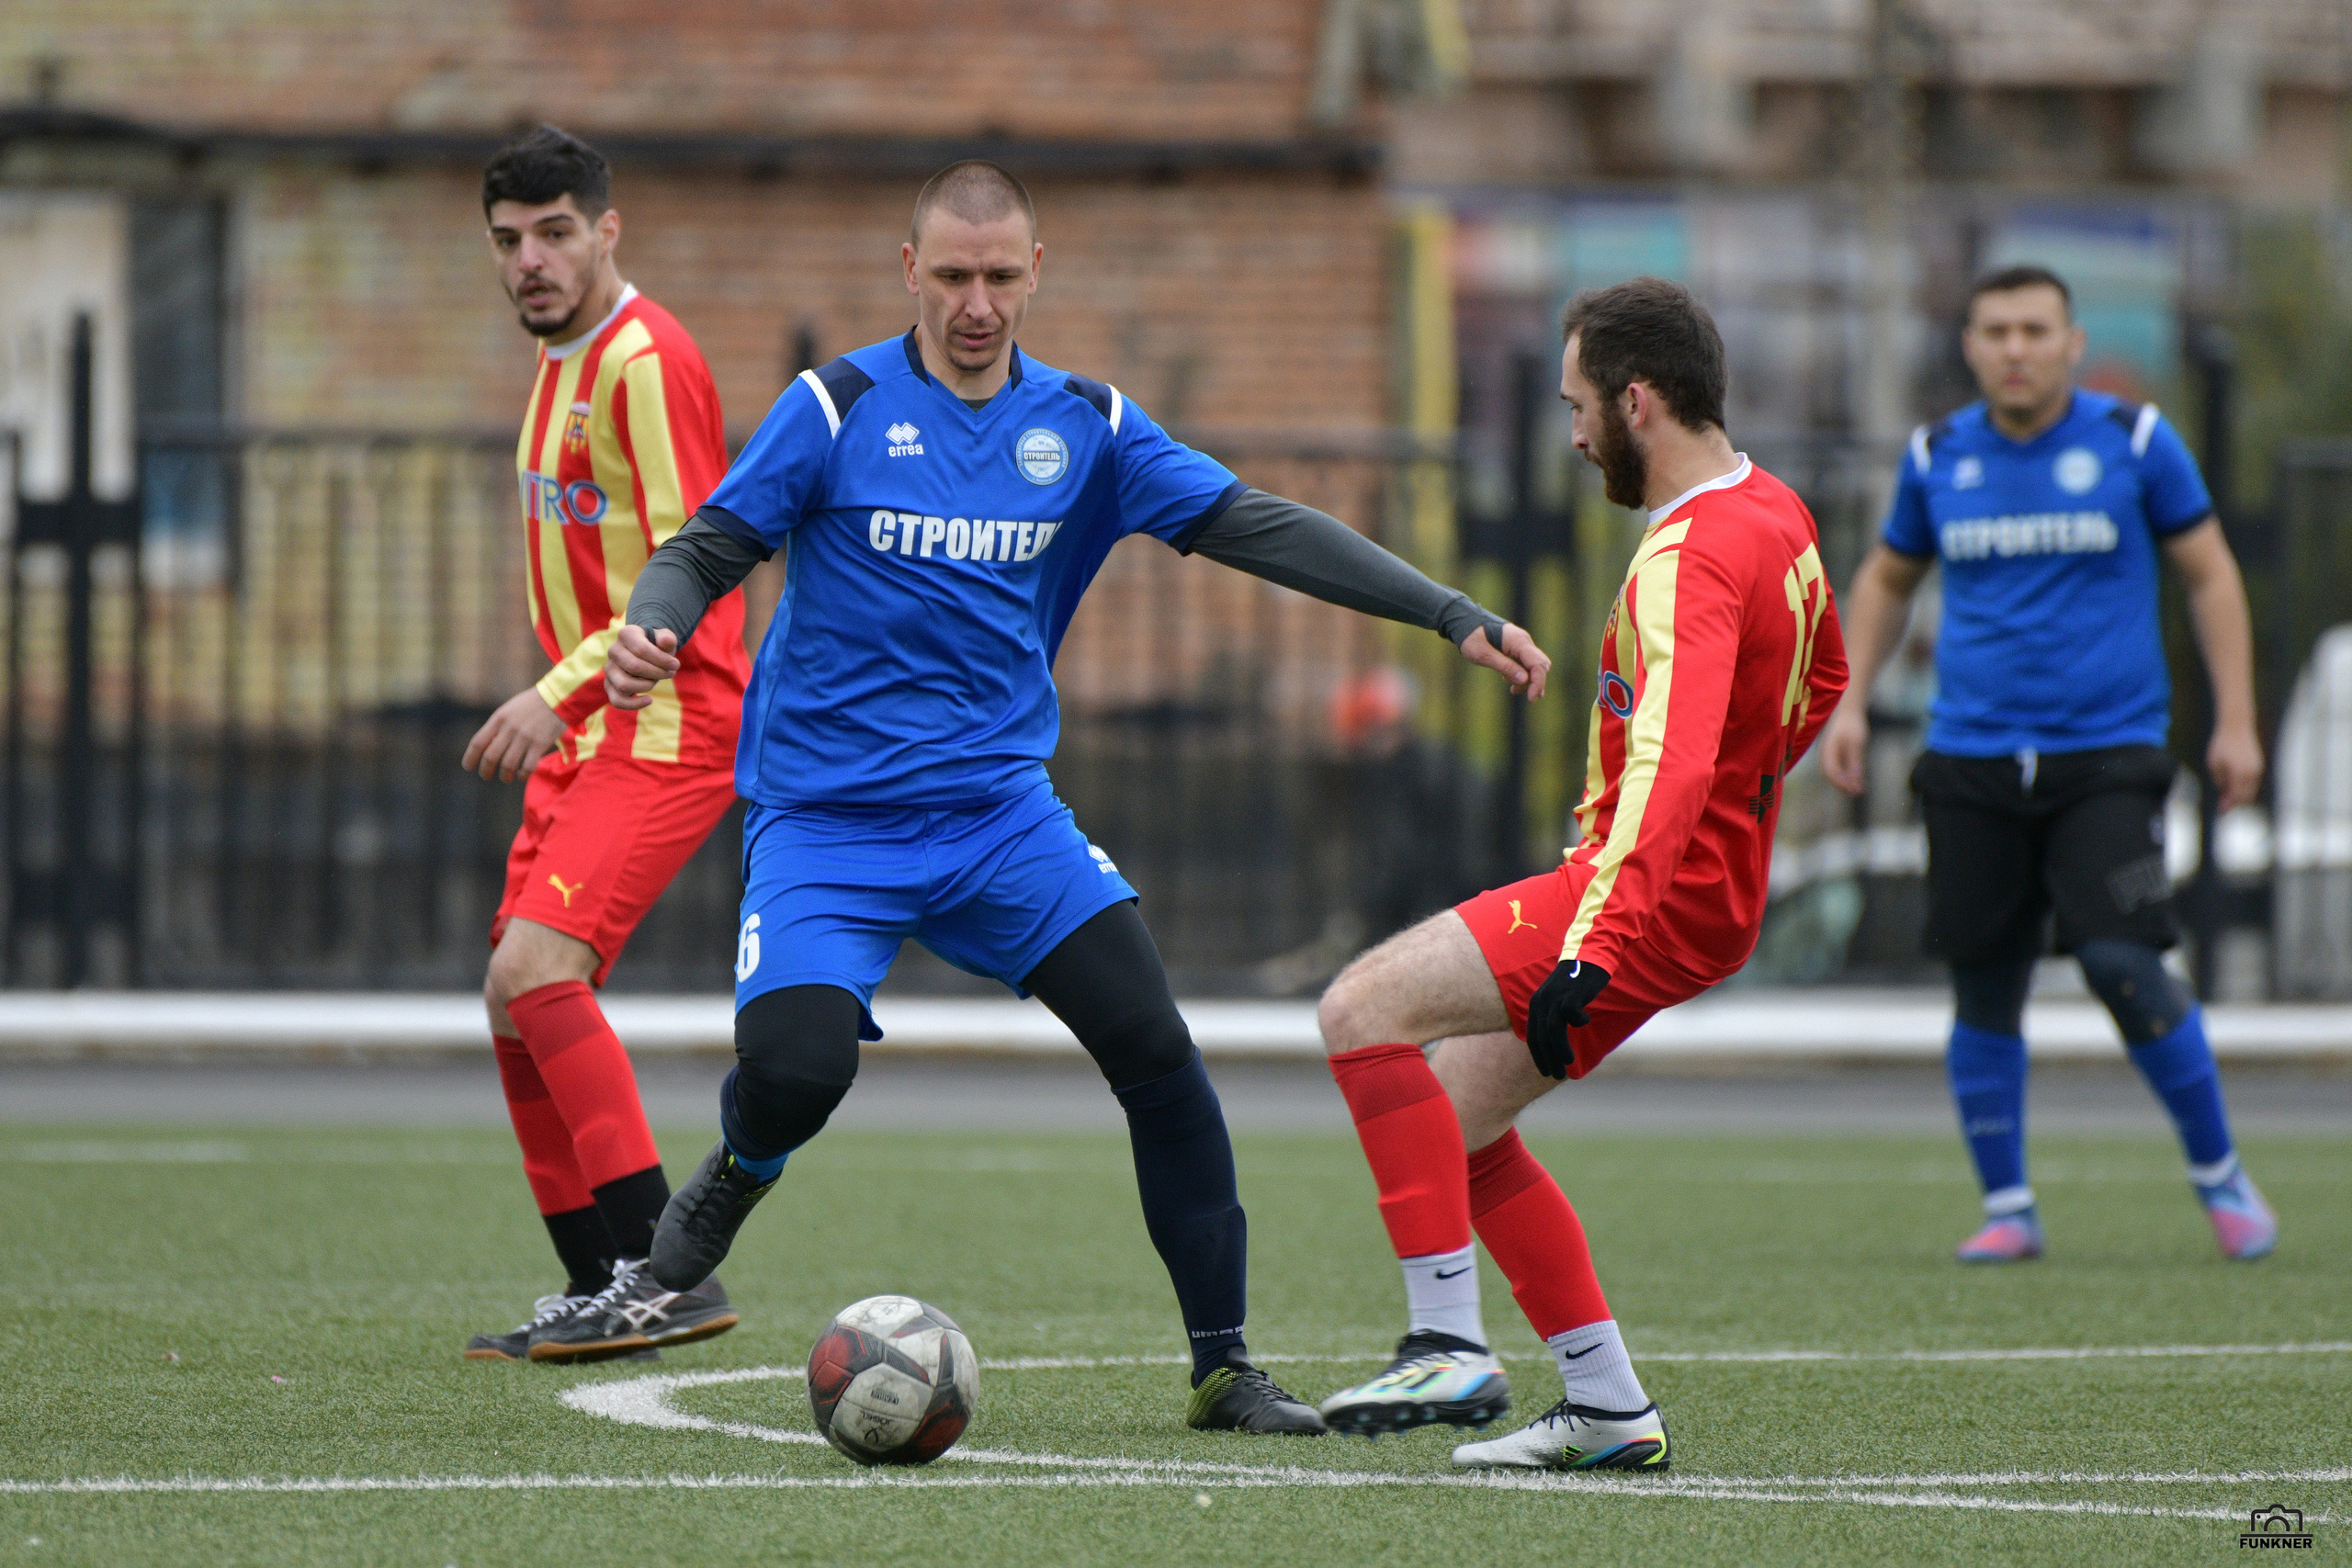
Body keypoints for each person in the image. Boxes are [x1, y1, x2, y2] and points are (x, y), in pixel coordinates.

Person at [599, 160, 1554, 1433]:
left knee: (1158, 1051)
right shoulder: (835, 407)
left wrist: (1447, 611)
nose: (977, 304)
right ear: (909, 271)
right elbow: (707, 546)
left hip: (1000, 819)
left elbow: (1253, 523)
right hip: (828, 824)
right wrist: (654, 623)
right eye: (952, 276)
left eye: (1001, 276)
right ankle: (743, 1162)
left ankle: (1224, 1365)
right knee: (795, 1071)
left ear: (1036, 272)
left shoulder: (1088, 426)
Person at [1314, 277, 1847, 1471]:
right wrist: (1744, 808)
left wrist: (1600, 936)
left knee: (1360, 1009)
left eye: (1576, 406)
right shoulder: (1774, 509)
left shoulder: (1689, 555)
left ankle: (1445, 1341)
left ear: (1636, 400)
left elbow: (1672, 761)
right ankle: (1606, 1403)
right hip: (1700, 899)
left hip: (1639, 900)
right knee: (1456, 1112)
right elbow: (1824, 680)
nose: (1572, 435)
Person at [1821, 265, 2276, 1265]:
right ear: (1971, 347)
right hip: (1971, 758)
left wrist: (2236, 721)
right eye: (1995, 331)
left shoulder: (2135, 442)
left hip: (2106, 754)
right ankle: (2009, 1207)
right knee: (1985, 980)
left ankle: (2220, 1173)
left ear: (2072, 343)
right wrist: (1848, 700)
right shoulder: (1937, 454)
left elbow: (2210, 574)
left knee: (2122, 962)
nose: (2015, 349)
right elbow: (1887, 577)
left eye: (2034, 330)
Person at [459, 126, 751, 1363]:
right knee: (510, 995)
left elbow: (688, 565)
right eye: (509, 241)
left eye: (555, 233)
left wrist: (556, 691)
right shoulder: (556, 359)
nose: (530, 261)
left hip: (666, 716)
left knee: (538, 970)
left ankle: (664, 1274)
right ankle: (594, 1279)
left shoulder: (645, 359)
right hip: (596, 724)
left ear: (606, 230)